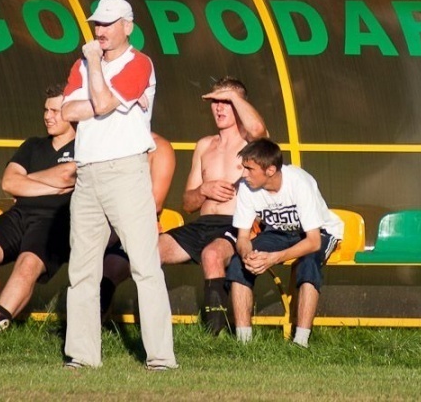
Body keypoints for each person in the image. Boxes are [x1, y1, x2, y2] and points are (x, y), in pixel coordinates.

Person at [61, 0, 177, 371]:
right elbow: (67, 110)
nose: (100, 30)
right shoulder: (79, 64)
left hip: (126, 171)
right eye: (97, 23)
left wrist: (95, 68)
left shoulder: (138, 62)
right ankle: (82, 356)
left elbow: (101, 103)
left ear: (128, 26)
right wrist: (99, 101)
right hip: (87, 173)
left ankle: (160, 357)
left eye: (108, 23)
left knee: (145, 265)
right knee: (82, 271)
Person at [157, 77, 267, 334]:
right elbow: (187, 203)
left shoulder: (251, 144)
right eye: (215, 102)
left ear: (239, 105)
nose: (218, 108)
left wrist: (235, 96)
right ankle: (154, 326)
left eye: (225, 102)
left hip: (236, 224)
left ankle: (213, 336)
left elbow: (258, 129)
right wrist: (203, 190)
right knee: (149, 252)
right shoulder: (205, 145)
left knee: (212, 255)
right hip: (203, 223)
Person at [0, 84, 77, 335]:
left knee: (28, 263)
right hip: (20, 214)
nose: (47, 116)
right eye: (46, 110)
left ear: (73, 113)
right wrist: (51, 185)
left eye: (55, 111)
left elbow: (68, 175)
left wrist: (27, 181)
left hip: (55, 221)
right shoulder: (32, 145)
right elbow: (9, 183)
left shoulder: (86, 147)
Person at [226, 138, 344, 349]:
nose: (243, 174)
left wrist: (273, 258)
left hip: (317, 232)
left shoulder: (299, 182)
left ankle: (300, 342)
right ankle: (244, 344)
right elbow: (243, 238)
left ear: (270, 170)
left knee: (309, 263)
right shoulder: (246, 187)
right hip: (279, 233)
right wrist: (247, 256)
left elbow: (313, 241)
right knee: (237, 263)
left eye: (249, 169)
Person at [100, 132, 176, 319]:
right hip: (103, 223)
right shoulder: (105, 142)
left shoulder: (160, 148)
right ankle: (86, 327)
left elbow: (155, 203)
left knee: (110, 270)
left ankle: (95, 323)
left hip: (137, 226)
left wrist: (115, 230)